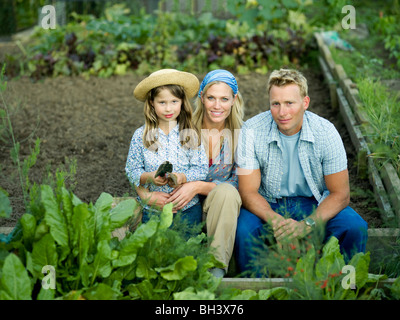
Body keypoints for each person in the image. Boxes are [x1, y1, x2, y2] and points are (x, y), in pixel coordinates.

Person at [235, 68, 368, 276]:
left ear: (305, 103)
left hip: (314, 202)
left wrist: (307, 225)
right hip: (269, 202)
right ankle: (254, 289)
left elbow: (340, 195)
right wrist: (276, 221)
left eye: (290, 103)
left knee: (355, 227)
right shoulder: (250, 131)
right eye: (275, 104)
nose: (282, 112)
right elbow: (248, 192)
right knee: (244, 230)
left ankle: (346, 287)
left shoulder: (326, 132)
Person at [166, 69, 245, 278]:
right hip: (184, 207)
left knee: (227, 192)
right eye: (211, 98)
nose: (217, 106)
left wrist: (198, 186)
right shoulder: (184, 130)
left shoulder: (241, 135)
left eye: (224, 99)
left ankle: (216, 270)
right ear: (202, 97)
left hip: (221, 210)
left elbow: (242, 185)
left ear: (233, 100)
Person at [125, 69, 208, 237]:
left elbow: (201, 169)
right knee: (158, 253)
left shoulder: (191, 134)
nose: (168, 108)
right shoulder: (141, 136)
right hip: (155, 208)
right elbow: (132, 170)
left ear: (182, 102)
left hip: (187, 208)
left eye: (174, 101)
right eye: (162, 102)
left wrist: (183, 178)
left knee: (187, 254)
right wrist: (148, 177)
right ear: (152, 103)